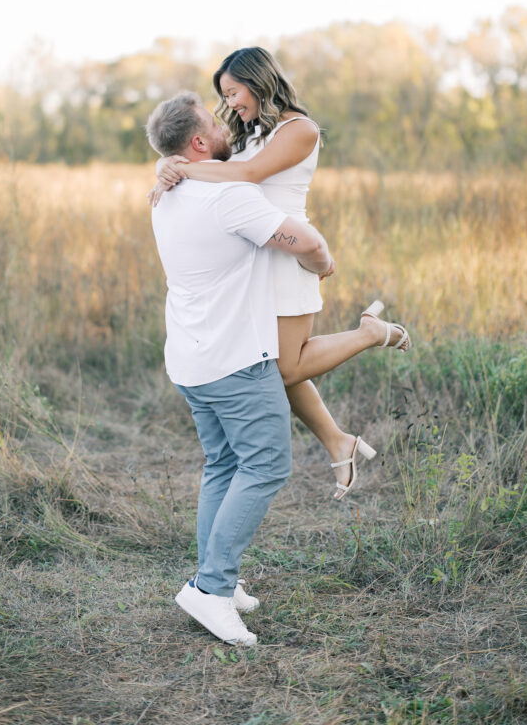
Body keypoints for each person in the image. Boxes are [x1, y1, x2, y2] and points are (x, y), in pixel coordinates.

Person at [151, 47, 411, 498]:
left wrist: (182, 172)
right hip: (254, 255)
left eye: (234, 92)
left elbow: (246, 175)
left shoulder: (300, 130)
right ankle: (338, 442)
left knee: (283, 367)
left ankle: (370, 333)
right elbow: (210, 156)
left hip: (288, 255)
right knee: (268, 363)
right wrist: (167, 164)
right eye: (225, 96)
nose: (230, 104)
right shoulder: (247, 131)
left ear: (258, 80)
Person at [146, 91, 334, 646]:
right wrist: (323, 264)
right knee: (269, 464)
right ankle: (209, 589)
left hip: (188, 356)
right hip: (232, 360)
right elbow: (305, 240)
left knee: (225, 463)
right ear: (199, 143)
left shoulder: (165, 193)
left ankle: (218, 585)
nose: (226, 122)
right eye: (214, 121)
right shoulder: (227, 196)